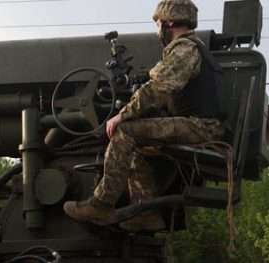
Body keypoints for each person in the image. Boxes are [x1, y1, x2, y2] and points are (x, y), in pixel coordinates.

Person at [63, 0, 225, 232]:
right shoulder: (193, 47)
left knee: (124, 132)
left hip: (201, 127)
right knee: (137, 147)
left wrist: (122, 116)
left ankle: (101, 204)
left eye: (158, 24)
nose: (157, 31)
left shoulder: (185, 49)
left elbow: (158, 88)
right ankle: (145, 214)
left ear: (170, 23)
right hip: (201, 125)